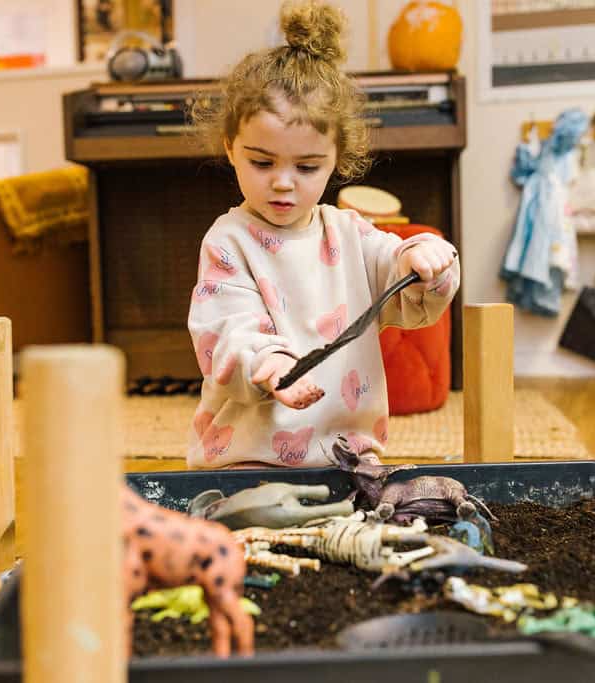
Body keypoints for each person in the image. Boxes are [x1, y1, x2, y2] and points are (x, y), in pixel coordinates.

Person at [186, 0, 459, 469]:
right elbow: (225, 327)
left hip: (349, 457)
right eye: (262, 161)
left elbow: (402, 280)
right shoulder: (228, 241)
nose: (284, 182)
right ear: (231, 148)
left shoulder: (349, 233)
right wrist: (267, 364)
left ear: (336, 159)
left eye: (308, 166)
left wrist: (426, 259)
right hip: (250, 456)